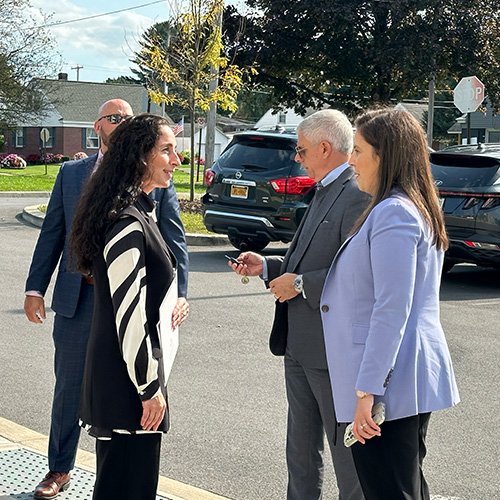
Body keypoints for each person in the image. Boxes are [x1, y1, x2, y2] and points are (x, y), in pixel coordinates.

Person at [24, 99, 189, 499]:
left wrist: (178, 295)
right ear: (98, 126)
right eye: (166, 150)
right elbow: (53, 235)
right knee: (70, 395)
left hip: (127, 348)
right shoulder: (117, 212)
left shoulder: (145, 204)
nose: (177, 160)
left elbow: (176, 244)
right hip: (93, 320)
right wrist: (35, 288)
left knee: (122, 471)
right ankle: (58, 469)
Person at [229, 109, 370, 500]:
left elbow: (358, 274)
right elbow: (309, 257)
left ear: (325, 148)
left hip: (331, 350)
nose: (297, 157)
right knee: (301, 451)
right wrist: (269, 266)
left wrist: (302, 283)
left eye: (302, 149)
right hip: (300, 343)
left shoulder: (357, 193)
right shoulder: (326, 188)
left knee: (348, 457)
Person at [320, 109, 460, 500]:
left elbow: (391, 308)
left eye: (359, 150)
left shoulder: (394, 213)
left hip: (387, 383)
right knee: (405, 485)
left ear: (386, 156)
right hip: (401, 377)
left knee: (390, 488)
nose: (351, 160)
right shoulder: (406, 207)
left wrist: (366, 392)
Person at [68, 113, 184, 499]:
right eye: (167, 150)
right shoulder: (127, 222)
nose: (177, 159)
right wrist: (149, 387)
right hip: (130, 386)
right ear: (140, 156)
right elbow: (129, 314)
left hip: (131, 380)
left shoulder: (136, 211)